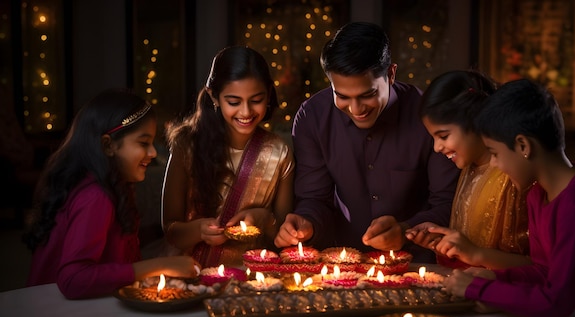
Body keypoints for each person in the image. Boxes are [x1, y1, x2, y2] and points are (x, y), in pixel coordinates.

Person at [443, 78, 575, 317]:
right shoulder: (538, 193)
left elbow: (556, 302)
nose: (495, 164)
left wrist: (477, 289)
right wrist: (496, 278)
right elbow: (544, 271)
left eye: (495, 153)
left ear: (523, 146)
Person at [274, 22, 459, 262]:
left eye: (368, 95)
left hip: (420, 264)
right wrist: (307, 222)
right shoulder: (313, 117)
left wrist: (406, 230)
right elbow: (314, 199)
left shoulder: (427, 116)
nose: (356, 108)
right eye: (342, 96)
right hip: (342, 263)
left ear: (391, 74)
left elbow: (449, 204)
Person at [24, 89, 198, 299]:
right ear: (108, 145)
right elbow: (74, 279)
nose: (153, 153)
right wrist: (159, 266)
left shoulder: (114, 186)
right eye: (143, 143)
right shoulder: (95, 196)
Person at [161, 46, 294, 268]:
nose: (245, 112)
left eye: (256, 100)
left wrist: (264, 219)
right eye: (234, 102)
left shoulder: (279, 153)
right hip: (188, 272)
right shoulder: (187, 145)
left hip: (251, 278)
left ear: (269, 94)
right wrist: (199, 231)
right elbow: (170, 230)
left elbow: (283, 234)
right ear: (214, 96)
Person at [405, 70, 531, 270]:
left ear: (477, 122)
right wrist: (443, 243)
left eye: (444, 136)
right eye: (433, 138)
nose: (437, 148)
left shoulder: (514, 176)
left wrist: (474, 254)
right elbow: (468, 248)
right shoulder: (469, 169)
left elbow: (539, 269)